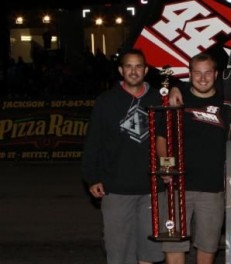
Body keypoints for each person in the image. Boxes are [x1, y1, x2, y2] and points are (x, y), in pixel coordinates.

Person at [82, 49, 165, 264]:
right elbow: (93, 141)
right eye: (129, 66)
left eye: (138, 66)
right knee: (119, 252)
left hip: (152, 189)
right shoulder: (106, 101)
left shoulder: (159, 99)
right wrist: (92, 177)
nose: (134, 71)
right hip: (116, 188)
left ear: (146, 70)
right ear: (121, 70)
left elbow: (168, 140)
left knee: (151, 252)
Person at [156, 53, 226, 264]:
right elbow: (161, 139)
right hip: (177, 187)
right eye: (197, 73)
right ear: (189, 74)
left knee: (208, 246)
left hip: (213, 189)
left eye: (207, 73)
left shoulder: (227, 102)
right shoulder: (178, 99)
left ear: (216, 74)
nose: (202, 78)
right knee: (173, 244)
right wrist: (167, 167)